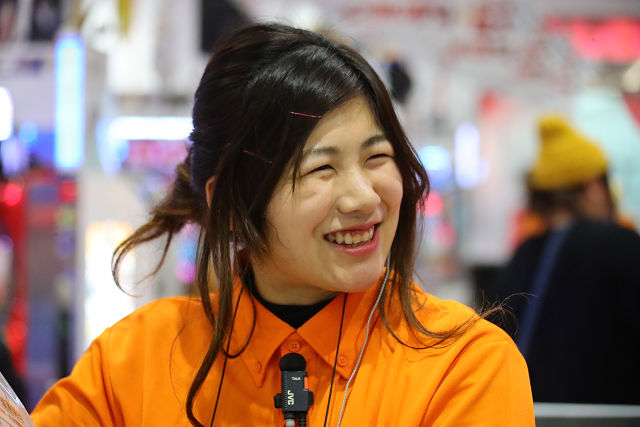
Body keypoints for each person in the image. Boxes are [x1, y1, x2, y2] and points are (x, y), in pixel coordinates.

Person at [30, 23, 533, 426]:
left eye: (377, 157)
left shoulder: (463, 367)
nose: (364, 197)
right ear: (232, 204)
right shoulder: (135, 359)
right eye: (321, 168)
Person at [495, 114, 640, 404]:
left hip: (526, 412)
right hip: (610, 415)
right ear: (594, 186)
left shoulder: (525, 253)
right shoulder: (621, 244)